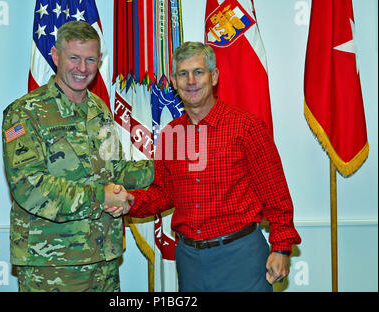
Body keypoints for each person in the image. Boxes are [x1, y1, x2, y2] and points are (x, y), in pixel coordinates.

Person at [104, 41, 301, 292]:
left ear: (214, 76)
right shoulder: (170, 135)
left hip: (242, 256)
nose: (191, 81)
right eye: (183, 74)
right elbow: (163, 193)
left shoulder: (247, 127)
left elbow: (276, 194)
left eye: (198, 72)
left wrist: (281, 247)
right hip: (189, 261)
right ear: (174, 82)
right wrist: (129, 200)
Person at [2, 21, 152, 292]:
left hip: (103, 260)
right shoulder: (25, 113)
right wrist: (102, 197)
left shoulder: (99, 109)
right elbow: (29, 186)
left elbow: (114, 170)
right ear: (56, 56)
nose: (82, 69)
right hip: (51, 266)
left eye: (91, 59)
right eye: (74, 58)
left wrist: (165, 169)